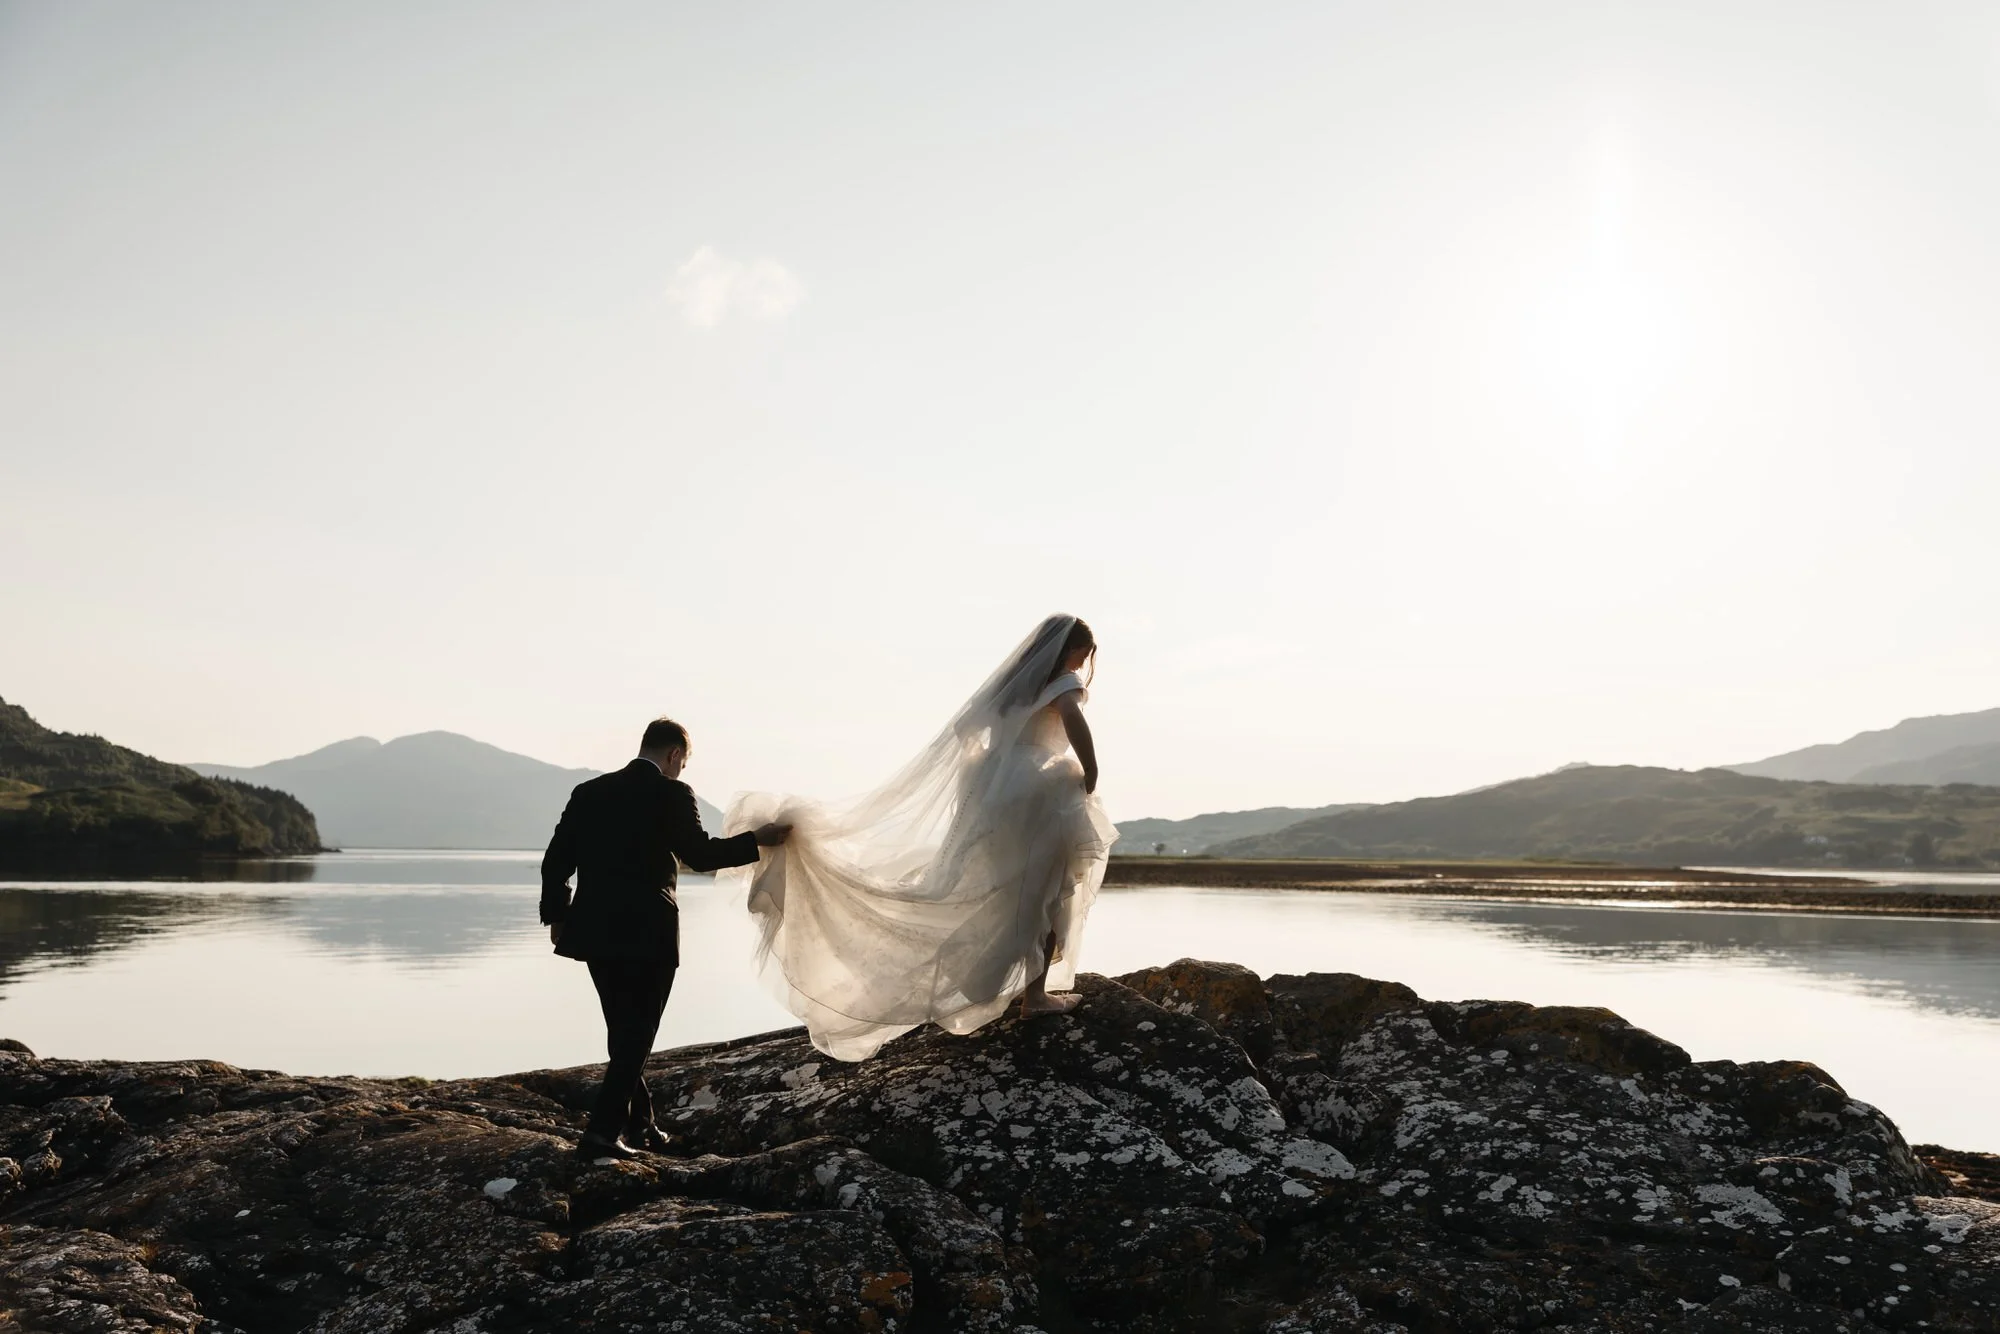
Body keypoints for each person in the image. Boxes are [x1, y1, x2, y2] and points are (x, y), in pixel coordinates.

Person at [726, 614, 1118, 1060]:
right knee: (1046, 892)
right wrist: (1090, 769)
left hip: (1002, 802)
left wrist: (992, 770)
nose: (1084, 661)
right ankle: (1036, 996)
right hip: (1038, 797)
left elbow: (964, 732)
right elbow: (1072, 719)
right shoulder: (1064, 682)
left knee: (1007, 893)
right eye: (1084, 654)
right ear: (1071, 649)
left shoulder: (1013, 688)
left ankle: (1026, 990)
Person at [541, 717, 790, 1159]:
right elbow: (700, 855)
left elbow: (556, 860)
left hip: (594, 928)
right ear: (675, 754)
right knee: (637, 1033)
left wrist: (558, 916)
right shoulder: (673, 793)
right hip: (647, 929)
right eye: (683, 763)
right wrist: (758, 840)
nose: (681, 771)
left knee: (622, 1029)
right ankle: (600, 1134)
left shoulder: (589, 792)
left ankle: (643, 1126)